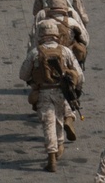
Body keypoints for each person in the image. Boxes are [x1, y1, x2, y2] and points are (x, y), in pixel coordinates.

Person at [18, 29, 83, 173]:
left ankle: (51, 158)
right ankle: (60, 145)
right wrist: (76, 89)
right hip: (61, 91)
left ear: (42, 36)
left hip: (44, 92)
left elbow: (23, 74)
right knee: (59, 119)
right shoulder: (65, 51)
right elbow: (79, 74)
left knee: (48, 123)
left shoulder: (35, 53)